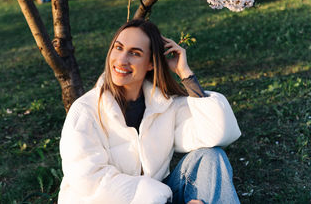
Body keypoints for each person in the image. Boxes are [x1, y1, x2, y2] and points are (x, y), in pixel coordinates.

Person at [58, 19, 242, 204]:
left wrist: (185, 73)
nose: (121, 60)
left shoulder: (163, 105)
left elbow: (216, 133)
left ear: (151, 64)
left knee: (211, 157)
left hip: (157, 198)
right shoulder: (85, 111)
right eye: (118, 48)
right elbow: (90, 181)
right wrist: (160, 198)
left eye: (135, 53)